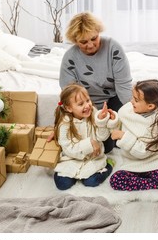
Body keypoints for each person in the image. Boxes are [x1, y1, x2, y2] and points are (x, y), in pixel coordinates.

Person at [51, 12, 133, 153]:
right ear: (75, 41)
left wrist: (138, 115)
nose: (90, 45)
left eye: (94, 38)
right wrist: (59, 126)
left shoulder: (113, 48)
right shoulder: (70, 57)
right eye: (83, 42)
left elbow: (124, 88)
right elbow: (69, 96)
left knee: (123, 135)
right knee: (105, 147)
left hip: (114, 97)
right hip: (87, 103)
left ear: (98, 32)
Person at [53, 83, 119, 190]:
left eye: (88, 100)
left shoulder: (93, 114)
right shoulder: (64, 124)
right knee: (62, 184)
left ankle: (108, 165)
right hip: (71, 159)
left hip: (94, 158)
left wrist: (102, 122)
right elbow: (69, 149)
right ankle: (74, 174)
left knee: (91, 182)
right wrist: (90, 143)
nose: (87, 105)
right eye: (80, 104)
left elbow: (102, 137)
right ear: (69, 108)